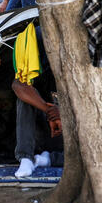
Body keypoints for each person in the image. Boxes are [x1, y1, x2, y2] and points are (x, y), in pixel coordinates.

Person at [12, 26, 63, 178]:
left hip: (67, 134)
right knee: (25, 101)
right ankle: (26, 158)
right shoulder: (38, 65)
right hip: (45, 127)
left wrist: (63, 114)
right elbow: (18, 86)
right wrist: (49, 111)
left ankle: (48, 159)